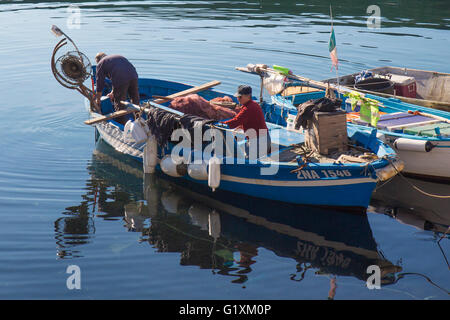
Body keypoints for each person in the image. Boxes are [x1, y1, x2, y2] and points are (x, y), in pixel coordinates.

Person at [222, 85, 271, 158]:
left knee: (249, 163)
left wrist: (219, 125)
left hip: (257, 143)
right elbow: (249, 120)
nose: (238, 99)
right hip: (265, 139)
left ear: (248, 96)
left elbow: (235, 122)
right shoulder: (254, 104)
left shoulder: (248, 108)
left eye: (240, 97)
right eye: (237, 97)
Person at [94, 52, 140, 123]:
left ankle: (122, 126)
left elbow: (99, 85)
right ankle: (139, 121)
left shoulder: (100, 64)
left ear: (98, 60)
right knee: (135, 101)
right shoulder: (117, 57)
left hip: (121, 79)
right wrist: (113, 92)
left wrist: (98, 100)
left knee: (119, 105)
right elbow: (118, 73)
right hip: (134, 76)